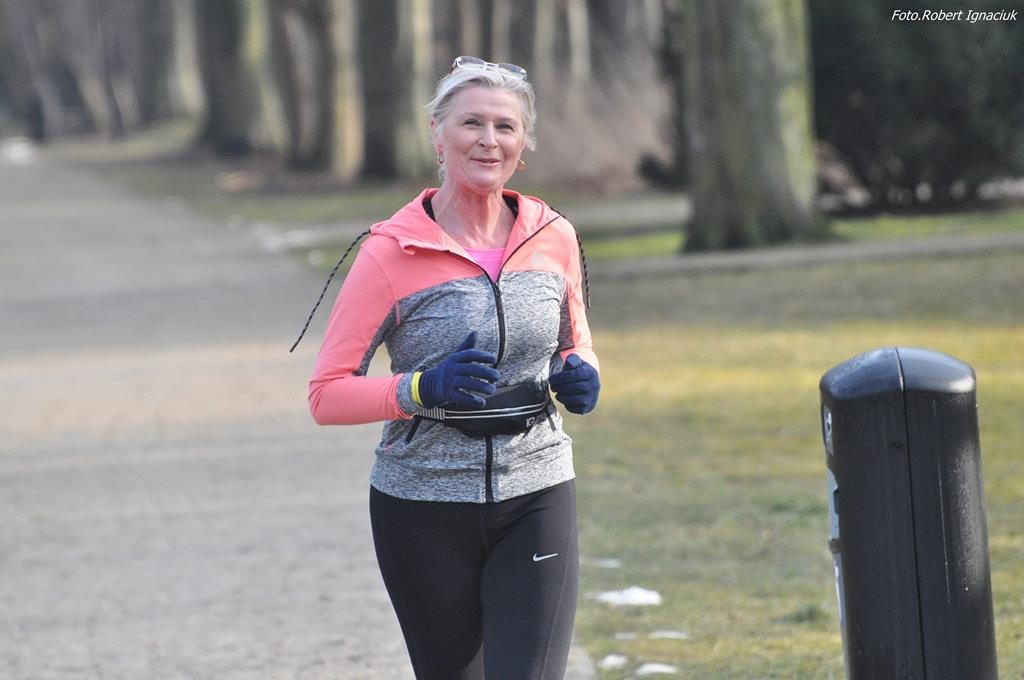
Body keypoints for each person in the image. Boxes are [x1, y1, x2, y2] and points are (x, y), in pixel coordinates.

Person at [294, 56, 600, 680]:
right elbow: (327, 395)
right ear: (438, 134)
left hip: (537, 491)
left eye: (505, 126)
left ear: (523, 144)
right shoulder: (389, 251)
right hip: (422, 506)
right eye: (471, 123)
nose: (489, 140)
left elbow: (575, 342)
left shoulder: (554, 235)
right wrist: (419, 388)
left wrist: (582, 374)